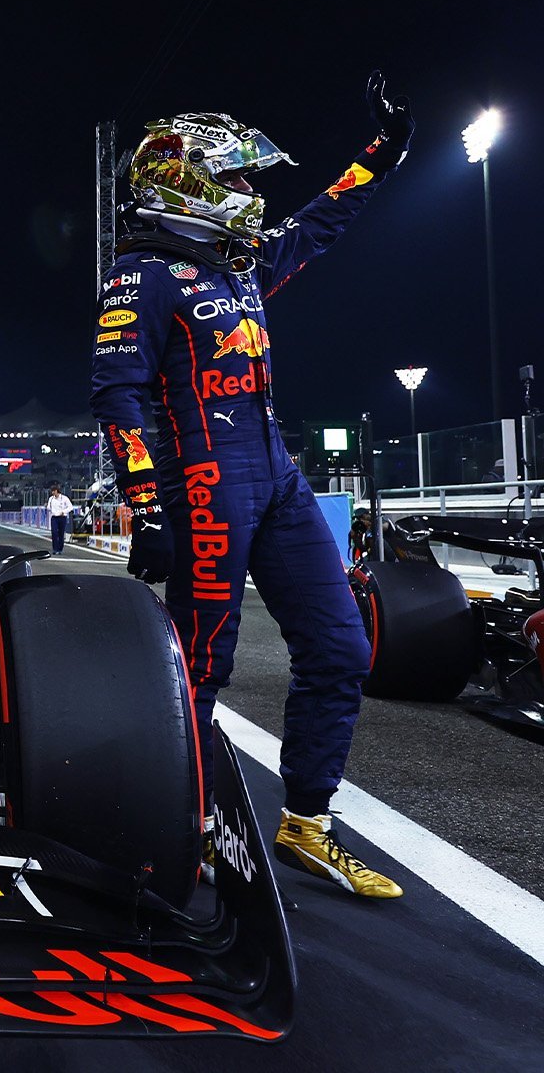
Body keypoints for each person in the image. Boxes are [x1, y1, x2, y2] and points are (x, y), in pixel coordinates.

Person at [89, 72, 414, 899]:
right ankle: (182, 832)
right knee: (200, 669)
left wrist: (383, 151)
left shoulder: (238, 266)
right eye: (231, 177)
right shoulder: (146, 275)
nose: (245, 193)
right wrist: (146, 501)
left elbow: (322, 220)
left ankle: (307, 823)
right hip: (205, 480)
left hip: (274, 472)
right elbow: (116, 392)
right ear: (183, 180)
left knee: (342, 647)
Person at [45, 483, 75, 555]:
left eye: (53, 491)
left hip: (62, 517)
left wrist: (64, 512)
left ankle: (60, 549)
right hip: (54, 517)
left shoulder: (64, 498)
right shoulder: (51, 499)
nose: (52, 493)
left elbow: (70, 507)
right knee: (54, 533)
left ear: (56, 491)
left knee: (61, 533)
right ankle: (55, 549)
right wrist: (47, 507)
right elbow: (49, 507)